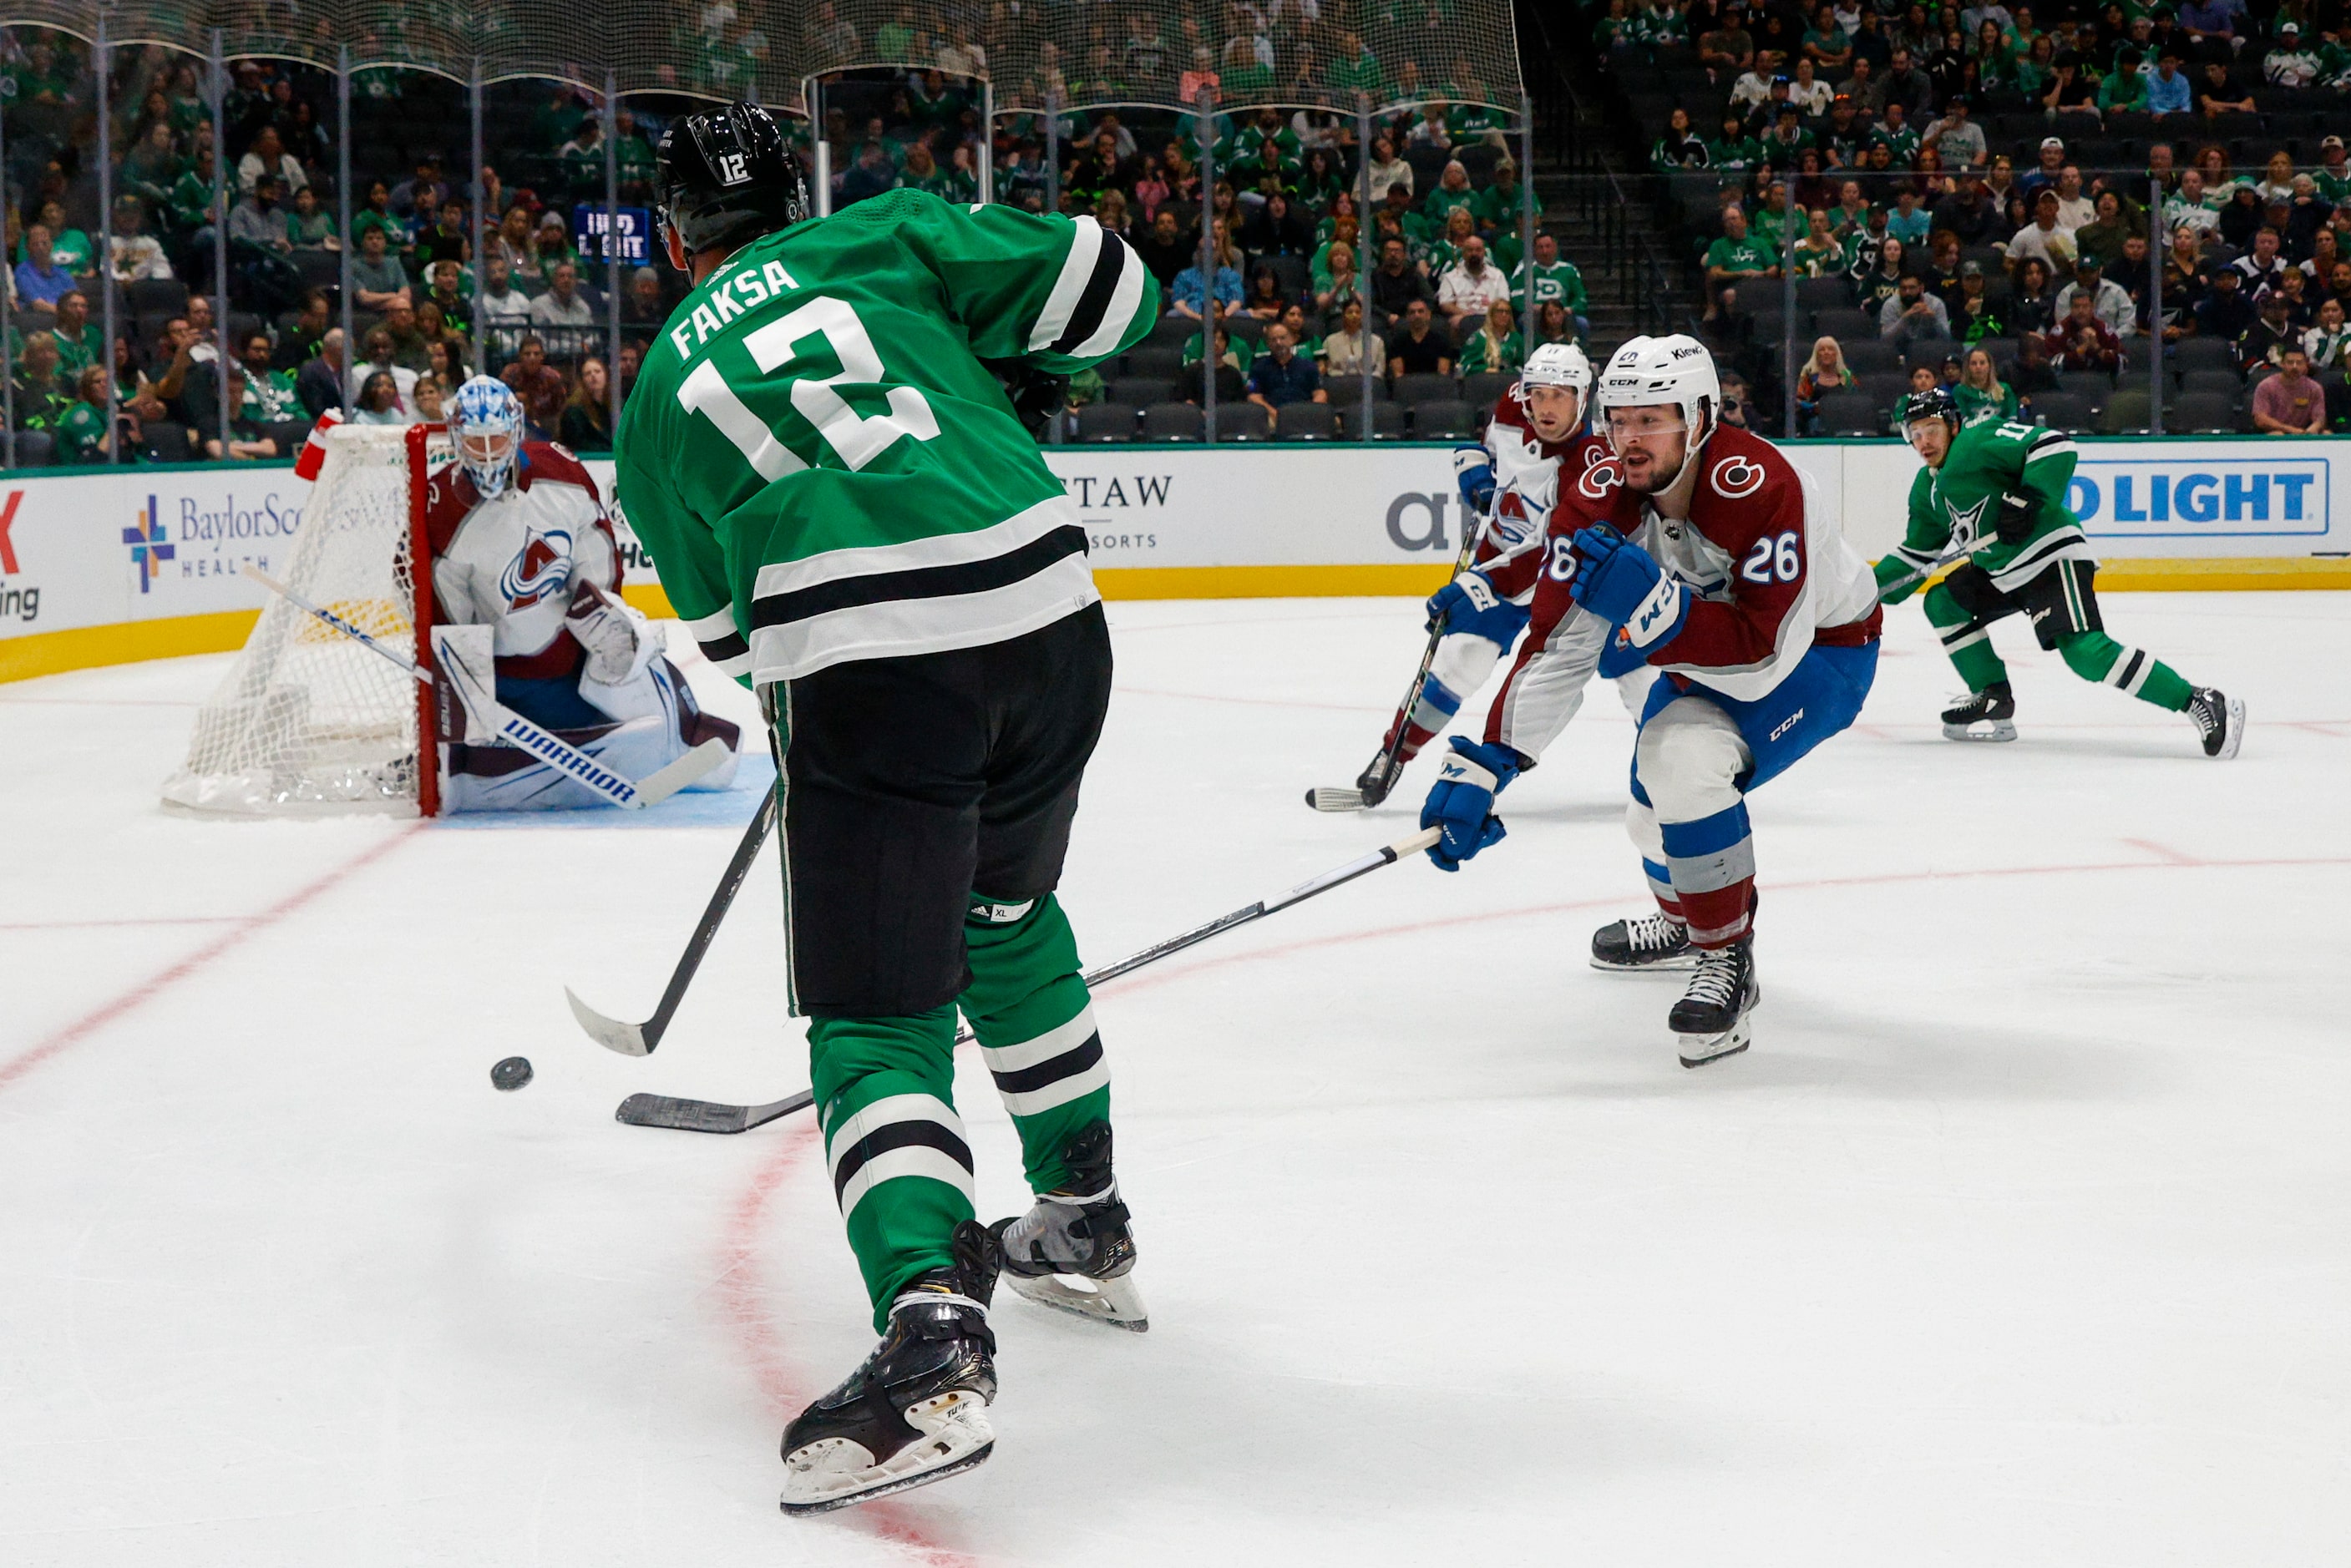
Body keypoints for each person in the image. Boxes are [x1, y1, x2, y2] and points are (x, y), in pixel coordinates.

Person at [613, 102, 1158, 1515]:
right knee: (1006, 909)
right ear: (791, 193)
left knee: (880, 1009)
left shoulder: (662, 385)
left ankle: (929, 1337)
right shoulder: (885, 231)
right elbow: (1112, 281)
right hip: (1051, 618)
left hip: (874, 676)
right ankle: (1084, 1212)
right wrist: (1021, 368)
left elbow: (736, 640)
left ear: (677, 238)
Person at [1419, 334, 1882, 1066]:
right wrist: (1491, 760)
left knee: (1681, 761)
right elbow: (1559, 640)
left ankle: (1727, 957)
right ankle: (1685, 919)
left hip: (1820, 654)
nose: (1628, 439)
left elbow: (1765, 656)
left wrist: (1661, 611)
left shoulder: (1763, 485)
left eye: (1651, 419)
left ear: (1700, 416)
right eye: (1617, 419)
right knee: (1647, 807)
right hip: (1707, 645)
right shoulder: (1599, 493)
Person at [428, 375, 739, 809]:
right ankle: (495, 766)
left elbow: (598, 567)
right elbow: (452, 623)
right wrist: (469, 703)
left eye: (495, 440)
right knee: (478, 774)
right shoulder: (441, 507)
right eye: (475, 442)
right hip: (514, 681)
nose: (485, 454)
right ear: (456, 437)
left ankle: (669, 740)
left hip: (577, 658)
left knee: (679, 718)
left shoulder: (562, 474)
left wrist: (612, 627)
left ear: (515, 429)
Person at [1882, 387, 2242, 756]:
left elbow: (2055, 445)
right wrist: (1865, 590)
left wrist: (2028, 497)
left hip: (2048, 556)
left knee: (2085, 653)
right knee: (1943, 603)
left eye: (1931, 429)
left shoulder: (1978, 440)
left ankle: (2198, 699)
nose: (1924, 442)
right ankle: (1992, 695)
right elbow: (1915, 556)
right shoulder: (1926, 488)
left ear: (1954, 425)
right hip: (2002, 572)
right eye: (1915, 434)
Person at [1343, 343, 1602, 806]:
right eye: (1538, 394)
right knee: (1459, 661)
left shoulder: (1591, 462)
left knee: (1640, 677)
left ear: (1583, 398)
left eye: (1559, 396)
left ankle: (1673, 772)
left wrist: (1480, 583)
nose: (1544, 407)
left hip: (1570, 589)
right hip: (1500, 559)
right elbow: (1485, 448)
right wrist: (1476, 470)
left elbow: (1547, 551)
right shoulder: (1511, 403)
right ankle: (1395, 753)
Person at [1243, 321, 1323, 419]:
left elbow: (1320, 393)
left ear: (1292, 340)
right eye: (1273, 340)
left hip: (1305, 414)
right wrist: (1274, 413)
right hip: (1273, 415)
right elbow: (1253, 397)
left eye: (1282, 338)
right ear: (1267, 344)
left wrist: (1310, 412)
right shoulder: (1258, 369)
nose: (1278, 343)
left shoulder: (1308, 366)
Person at [500, 336, 568, 436]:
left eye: (536, 354)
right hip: (514, 425)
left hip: (546, 425)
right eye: (527, 354)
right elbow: (499, 403)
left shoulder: (553, 377)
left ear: (542, 356)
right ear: (520, 356)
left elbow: (562, 408)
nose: (532, 358)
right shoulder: (510, 374)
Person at [1794, 335, 1855, 431]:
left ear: (1837, 354)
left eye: (1830, 349)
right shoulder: (1809, 375)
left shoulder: (1846, 375)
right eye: (1822, 350)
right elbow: (1798, 401)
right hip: (1816, 419)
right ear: (1817, 354)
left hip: (1842, 417)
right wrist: (1814, 407)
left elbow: (1857, 399)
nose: (1826, 352)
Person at [1387, 297, 1453, 378]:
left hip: (1434, 386)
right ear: (1407, 317)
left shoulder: (1442, 341)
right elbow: (1398, 375)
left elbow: (1443, 373)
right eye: (1412, 312)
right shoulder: (1398, 342)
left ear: (1429, 315)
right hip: (1407, 386)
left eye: (1420, 311)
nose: (1417, 315)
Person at [1457, 297, 1524, 375]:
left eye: (1507, 312)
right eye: (1499, 311)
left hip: (1508, 380)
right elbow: (1464, 366)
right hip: (1482, 380)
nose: (1504, 315)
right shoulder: (1478, 338)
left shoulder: (1516, 338)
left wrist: (1506, 372)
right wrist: (1485, 369)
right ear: (1491, 314)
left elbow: (1521, 366)